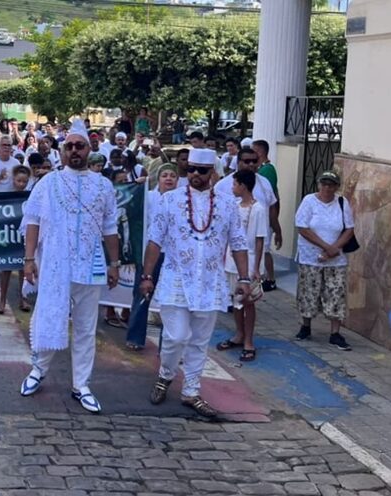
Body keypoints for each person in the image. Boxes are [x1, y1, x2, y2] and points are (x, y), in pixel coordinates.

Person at [19, 119, 121, 413]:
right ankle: (38, 371)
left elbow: (110, 228)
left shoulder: (103, 186)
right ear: (63, 151)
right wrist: (29, 260)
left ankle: (81, 384)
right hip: (55, 265)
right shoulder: (48, 183)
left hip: (90, 266)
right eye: (70, 146)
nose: (75, 150)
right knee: (49, 317)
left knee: (86, 328)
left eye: (80, 146)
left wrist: (114, 263)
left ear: (89, 150)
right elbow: (32, 221)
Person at [140, 148, 251, 417]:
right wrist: (146, 276)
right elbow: (154, 240)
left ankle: (191, 391)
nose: (195, 175)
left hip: (210, 282)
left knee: (200, 341)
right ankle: (166, 375)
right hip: (176, 278)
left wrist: (245, 278)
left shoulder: (227, 204)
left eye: (201, 170)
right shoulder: (170, 200)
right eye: (190, 169)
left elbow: (238, 243)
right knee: (176, 336)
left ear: (212, 172)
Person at [294, 170, 355, 351]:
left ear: (336, 187)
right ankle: (306, 326)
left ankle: (335, 333)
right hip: (311, 256)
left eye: (331, 185)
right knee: (308, 291)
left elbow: (349, 229)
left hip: (336, 258)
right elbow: (302, 227)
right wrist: (326, 247)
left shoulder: (342, 202)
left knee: (335, 292)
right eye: (324, 184)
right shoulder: (309, 201)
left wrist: (334, 248)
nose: (327, 188)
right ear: (319, 184)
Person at [125, 162, 178, 350]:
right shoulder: (148, 197)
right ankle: (135, 337)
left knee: (172, 300)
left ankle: (168, 345)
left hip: (173, 255)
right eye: (165, 175)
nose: (168, 179)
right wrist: (137, 187)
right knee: (142, 293)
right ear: (158, 178)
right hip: (149, 253)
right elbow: (130, 209)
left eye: (172, 175)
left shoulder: (182, 200)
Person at [216, 170, 267, 362]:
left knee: (248, 302)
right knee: (235, 300)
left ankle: (249, 340)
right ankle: (238, 333)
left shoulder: (258, 209)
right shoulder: (235, 206)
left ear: (243, 186)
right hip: (232, 261)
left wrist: (257, 268)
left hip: (250, 261)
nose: (232, 188)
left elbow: (260, 239)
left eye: (235, 184)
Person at [0, 164, 33, 315]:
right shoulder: (7, 197)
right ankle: (2, 301)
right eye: (19, 181)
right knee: (6, 270)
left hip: (24, 237)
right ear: (13, 180)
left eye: (24, 181)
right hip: (9, 235)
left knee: (23, 270)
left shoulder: (30, 197)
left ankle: (22, 298)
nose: (21, 184)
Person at [253, 139, 283, 292]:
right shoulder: (260, 169)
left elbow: (271, 197)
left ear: (260, 152)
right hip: (258, 216)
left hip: (265, 217)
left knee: (264, 249)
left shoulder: (267, 170)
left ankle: (270, 279)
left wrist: (276, 226)